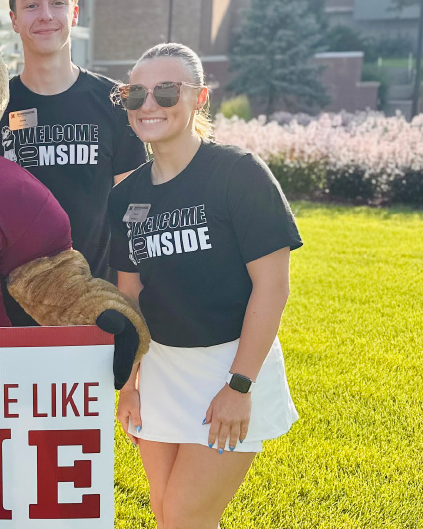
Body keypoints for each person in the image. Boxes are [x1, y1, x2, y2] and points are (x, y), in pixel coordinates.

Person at [108, 43, 301, 529]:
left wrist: (239, 386)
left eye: (166, 90)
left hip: (230, 367)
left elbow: (272, 289)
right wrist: (129, 385)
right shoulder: (125, 196)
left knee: (186, 515)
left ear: (199, 99)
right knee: (166, 512)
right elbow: (129, 298)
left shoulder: (239, 174)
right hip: (159, 371)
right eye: (136, 94)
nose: (149, 105)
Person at [0, 0, 147, 324]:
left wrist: (129, 304)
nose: (45, 14)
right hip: (12, 310)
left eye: (57, 2)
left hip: (95, 307)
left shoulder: (114, 104)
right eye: (31, 4)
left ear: (74, 13)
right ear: (14, 20)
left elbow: (132, 217)